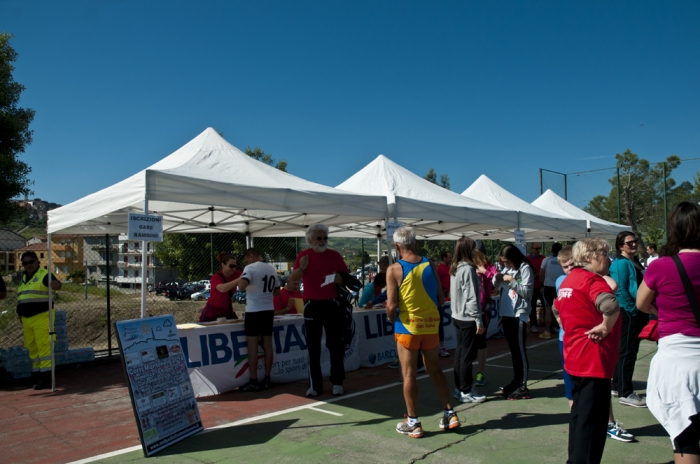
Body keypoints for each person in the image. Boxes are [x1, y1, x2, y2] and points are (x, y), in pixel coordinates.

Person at [637, 202, 700, 463]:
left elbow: (641, 303)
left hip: (677, 359)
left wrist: (662, 307)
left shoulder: (661, 266)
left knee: (685, 437)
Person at [553, 246, 634, 443]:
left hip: (575, 350)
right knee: (589, 417)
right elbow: (610, 304)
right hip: (591, 356)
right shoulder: (589, 280)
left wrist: (565, 322)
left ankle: (586, 442)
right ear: (589, 258)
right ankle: (605, 427)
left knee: (581, 410)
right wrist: (605, 327)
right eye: (603, 254)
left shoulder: (570, 281)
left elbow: (556, 306)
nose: (608, 259)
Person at [386, 226, 460, 438]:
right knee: (434, 369)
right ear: (415, 243)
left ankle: (413, 422)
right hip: (431, 325)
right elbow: (439, 298)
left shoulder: (394, 269)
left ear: (398, 246)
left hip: (407, 327)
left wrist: (392, 318)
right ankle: (450, 413)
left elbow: (391, 306)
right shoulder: (430, 264)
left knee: (409, 374)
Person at [290, 224, 348, 397]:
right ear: (310, 240)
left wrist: (340, 279)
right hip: (312, 305)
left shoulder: (335, 255)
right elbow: (292, 279)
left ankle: (337, 382)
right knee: (313, 347)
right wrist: (302, 268)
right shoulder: (303, 256)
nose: (322, 241)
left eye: (325, 238)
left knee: (336, 345)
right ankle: (315, 386)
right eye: (319, 238)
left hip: (332, 304)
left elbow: (346, 278)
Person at [232, 248, 280, 392]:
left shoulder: (250, 268)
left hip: (254, 311)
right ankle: (267, 377)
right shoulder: (271, 269)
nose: (246, 262)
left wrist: (243, 278)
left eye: (246, 259)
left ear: (251, 256)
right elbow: (277, 292)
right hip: (268, 310)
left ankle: (253, 380)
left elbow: (241, 286)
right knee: (267, 345)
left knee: (252, 347)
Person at [609, 231, 648, 408]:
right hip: (628, 312)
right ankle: (625, 391)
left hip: (635, 311)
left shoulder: (634, 261)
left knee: (626, 350)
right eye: (629, 242)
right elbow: (621, 290)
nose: (633, 244)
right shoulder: (621, 264)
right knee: (627, 351)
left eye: (634, 241)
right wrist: (634, 309)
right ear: (620, 246)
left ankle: (618, 386)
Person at [16, 251, 61, 390]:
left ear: (37, 261)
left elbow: (56, 284)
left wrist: (56, 285)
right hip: (27, 319)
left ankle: (47, 378)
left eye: (31, 262)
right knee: (33, 347)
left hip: (42, 316)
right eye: (25, 263)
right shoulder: (24, 278)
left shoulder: (44, 275)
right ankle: (36, 375)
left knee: (44, 347)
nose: (28, 265)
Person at [494, 245, 534, 400]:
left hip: (518, 314)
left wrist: (511, 281)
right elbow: (497, 288)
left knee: (520, 350)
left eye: (507, 262)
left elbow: (527, 292)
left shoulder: (525, 269)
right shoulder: (506, 269)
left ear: (514, 258)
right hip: (506, 313)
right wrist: (497, 278)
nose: (506, 265)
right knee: (513, 350)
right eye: (503, 262)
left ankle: (523, 385)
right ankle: (516, 381)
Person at [450, 237, 486, 404]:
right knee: (467, 355)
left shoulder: (455, 268)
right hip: (466, 317)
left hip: (457, 316)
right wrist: (478, 320)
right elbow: (471, 298)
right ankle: (465, 390)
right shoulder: (467, 270)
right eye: (473, 249)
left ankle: (460, 388)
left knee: (460, 353)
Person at [473, 243, 497, 387]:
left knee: (481, 341)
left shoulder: (489, 266)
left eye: (478, 253)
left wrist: (485, 272)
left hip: (483, 309)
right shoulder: (468, 265)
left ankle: (480, 372)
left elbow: (497, 279)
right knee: (470, 343)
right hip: (469, 310)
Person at [200, 252, 242, 322]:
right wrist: (238, 280)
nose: (233, 269)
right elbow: (222, 288)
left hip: (227, 313)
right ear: (223, 265)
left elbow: (247, 273)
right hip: (213, 313)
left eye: (235, 266)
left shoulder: (235, 274)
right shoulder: (216, 277)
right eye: (231, 266)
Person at [540, 243, 565, 339]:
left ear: (552, 250)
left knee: (548, 310)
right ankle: (559, 328)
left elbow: (541, 274)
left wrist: (542, 286)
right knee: (561, 309)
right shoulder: (562, 261)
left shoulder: (546, 260)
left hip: (548, 287)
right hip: (559, 287)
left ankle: (547, 331)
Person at [437, 250, 453, 358]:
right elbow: (437, 282)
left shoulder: (450, 267)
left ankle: (440, 347)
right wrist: (442, 292)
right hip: (440, 298)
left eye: (451, 257)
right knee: (439, 324)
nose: (450, 259)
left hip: (448, 296)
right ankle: (439, 347)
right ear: (443, 258)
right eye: (449, 257)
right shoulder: (439, 268)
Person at [528, 243, 545, 333]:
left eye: (539, 248)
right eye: (536, 248)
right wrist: (537, 275)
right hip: (532, 287)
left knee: (546, 306)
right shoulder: (528, 259)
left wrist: (539, 275)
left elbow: (544, 273)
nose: (538, 250)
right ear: (531, 249)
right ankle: (533, 325)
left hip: (542, 286)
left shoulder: (543, 258)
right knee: (532, 306)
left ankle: (549, 325)